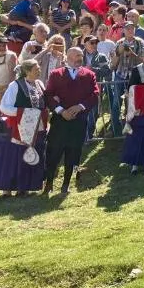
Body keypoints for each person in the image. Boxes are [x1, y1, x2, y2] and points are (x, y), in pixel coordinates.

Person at [43, 47, 99, 194]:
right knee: (53, 152)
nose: (80, 58)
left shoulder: (89, 74)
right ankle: (49, 183)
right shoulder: (56, 74)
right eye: (76, 55)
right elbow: (48, 95)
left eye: (81, 55)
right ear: (67, 57)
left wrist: (80, 107)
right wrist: (61, 111)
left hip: (79, 121)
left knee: (74, 152)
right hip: (60, 121)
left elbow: (94, 94)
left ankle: (66, 184)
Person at [0, 59, 48, 196]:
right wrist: (25, 113)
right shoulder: (15, 86)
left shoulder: (39, 84)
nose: (39, 70)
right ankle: (7, 189)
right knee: (14, 158)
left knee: (30, 156)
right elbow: (5, 107)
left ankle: (24, 187)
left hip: (36, 127)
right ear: (27, 71)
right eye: (36, 68)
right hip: (19, 128)